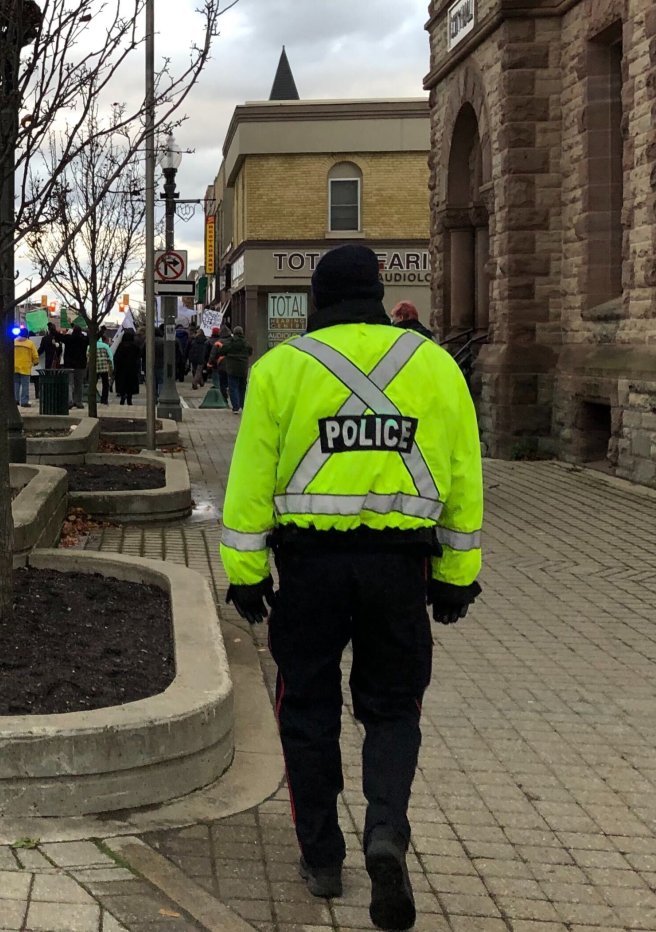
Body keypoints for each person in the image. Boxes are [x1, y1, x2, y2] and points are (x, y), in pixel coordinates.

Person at [220, 245, 483, 931]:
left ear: (315, 299)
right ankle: (386, 831)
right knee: (393, 709)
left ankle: (323, 858)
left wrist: (246, 577)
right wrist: (457, 578)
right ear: (377, 293)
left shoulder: (281, 370)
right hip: (400, 571)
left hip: (309, 571)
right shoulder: (436, 367)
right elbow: (462, 477)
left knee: (306, 707)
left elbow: (249, 483)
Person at [220, 326, 253, 413]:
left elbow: (222, 351)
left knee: (233, 387)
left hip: (232, 368)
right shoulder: (246, 343)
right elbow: (250, 352)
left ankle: (235, 407)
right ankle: (243, 405)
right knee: (242, 387)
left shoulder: (230, 342)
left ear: (234, 333)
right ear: (242, 333)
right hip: (243, 368)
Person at [59, 322, 90, 408]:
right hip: (80, 365)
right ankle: (78, 402)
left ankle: (69, 402)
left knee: (69, 383)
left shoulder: (68, 338)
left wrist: (53, 330)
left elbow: (59, 336)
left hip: (69, 364)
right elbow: (92, 338)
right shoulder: (84, 339)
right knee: (79, 384)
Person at [112, 329, 142, 405]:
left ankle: (122, 396)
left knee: (122, 384)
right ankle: (129, 398)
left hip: (121, 369)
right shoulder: (135, 346)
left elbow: (116, 358)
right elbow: (139, 357)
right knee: (130, 384)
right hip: (132, 369)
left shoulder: (120, 346)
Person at [13, 327, 39, 407]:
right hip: (25, 367)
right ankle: (24, 401)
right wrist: (35, 362)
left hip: (15, 366)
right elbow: (35, 355)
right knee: (25, 385)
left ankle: (15, 400)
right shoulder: (30, 343)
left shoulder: (14, 342)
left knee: (16, 384)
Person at [207, 325, 231, 404]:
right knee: (231, 382)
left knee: (221, 383)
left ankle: (224, 399)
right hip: (232, 365)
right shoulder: (233, 341)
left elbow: (213, 354)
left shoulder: (218, 342)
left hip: (220, 365)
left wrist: (210, 363)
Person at [91, 333, 113, 405]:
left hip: (94, 367)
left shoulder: (91, 346)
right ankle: (104, 400)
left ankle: (93, 398)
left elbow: (87, 355)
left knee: (93, 383)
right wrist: (112, 367)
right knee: (105, 384)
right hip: (104, 368)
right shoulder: (106, 346)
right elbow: (110, 357)